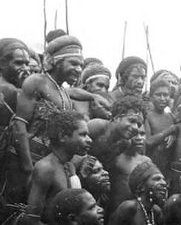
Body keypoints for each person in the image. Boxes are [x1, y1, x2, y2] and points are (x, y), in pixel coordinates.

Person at [13, 35, 110, 180]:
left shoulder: (63, 92)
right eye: (73, 63)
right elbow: (19, 124)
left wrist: (93, 96)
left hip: (49, 163)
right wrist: (28, 167)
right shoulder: (36, 81)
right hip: (25, 161)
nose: (78, 70)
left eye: (81, 66)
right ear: (57, 62)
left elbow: (74, 92)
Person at [22, 111, 92, 224]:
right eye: (83, 134)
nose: (89, 140)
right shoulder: (46, 169)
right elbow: (31, 219)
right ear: (63, 136)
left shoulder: (69, 164)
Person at [0, 38, 31, 207]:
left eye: (27, 63)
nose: (25, 69)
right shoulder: (10, 90)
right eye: (19, 63)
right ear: (2, 64)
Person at [88, 95, 145, 167]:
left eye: (139, 125)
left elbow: (106, 164)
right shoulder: (96, 126)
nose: (136, 128)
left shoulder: (125, 143)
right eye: (131, 121)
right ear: (117, 118)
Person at [109, 125, 152, 214]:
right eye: (135, 134)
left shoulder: (146, 161)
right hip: (118, 209)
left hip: (138, 210)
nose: (139, 138)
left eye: (142, 134)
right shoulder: (116, 159)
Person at [145, 79, 178, 179]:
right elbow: (148, 141)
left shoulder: (170, 116)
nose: (163, 98)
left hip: (168, 165)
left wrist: (174, 135)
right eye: (158, 95)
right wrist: (169, 131)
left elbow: (179, 128)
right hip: (153, 166)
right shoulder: (147, 116)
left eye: (166, 95)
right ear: (151, 97)